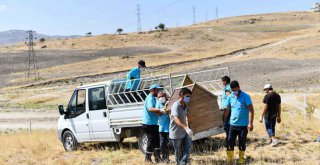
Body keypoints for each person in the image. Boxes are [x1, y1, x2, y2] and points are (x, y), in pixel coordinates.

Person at [224, 80, 254, 164]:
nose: (234, 92)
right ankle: (230, 160)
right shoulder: (230, 97)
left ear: (239, 87)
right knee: (230, 142)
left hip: (243, 126)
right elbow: (227, 110)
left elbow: (251, 110)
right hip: (232, 125)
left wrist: (250, 123)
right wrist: (224, 121)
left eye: (235, 90)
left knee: (242, 142)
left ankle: (241, 159)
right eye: (232, 90)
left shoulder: (246, 97)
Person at [143, 84, 166, 163]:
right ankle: (147, 159)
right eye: (157, 90)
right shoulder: (150, 98)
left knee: (156, 141)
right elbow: (150, 108)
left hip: (153, 123)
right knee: (151, 140)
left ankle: (157, 157)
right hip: (149, 124)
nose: (158, 92)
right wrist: (160, 110)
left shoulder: (154, 98)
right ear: (152, 90)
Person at [169, 87, 193, 165]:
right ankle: (178, 163)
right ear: (182, 95)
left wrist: (188, 128)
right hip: (175, 132)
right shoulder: (175, 106)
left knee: (188, 147)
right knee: (178, 151)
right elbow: (176, 119)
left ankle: (183, 163)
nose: (188, 98)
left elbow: (185, 117)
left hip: (184, 131)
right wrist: (185, 127)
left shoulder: (185, 105)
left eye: (189, 96)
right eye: (187, 96)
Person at [156, 92, 170, 163]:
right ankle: (165, 158)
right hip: (161, 127)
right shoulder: (158, 103)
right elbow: (157, 113)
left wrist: (166, 110)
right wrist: (162, 111)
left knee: (172, 143)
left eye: (161, 96)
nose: (160, 98)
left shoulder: (169, 102)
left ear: (165, 96)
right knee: (162, 144)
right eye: (159, 97)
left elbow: (170, 111)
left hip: (170, 127)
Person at [221, 76, 232, 147]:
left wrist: (225, 108)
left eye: (222, 81)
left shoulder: (228, 89)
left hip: (227, 109)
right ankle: (229, 140)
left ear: (225, 81)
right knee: (227, 126)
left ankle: (229, 141)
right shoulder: (228, 87)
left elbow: (229, 99)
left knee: (227, 126)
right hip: (227, 109)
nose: (221, 82)